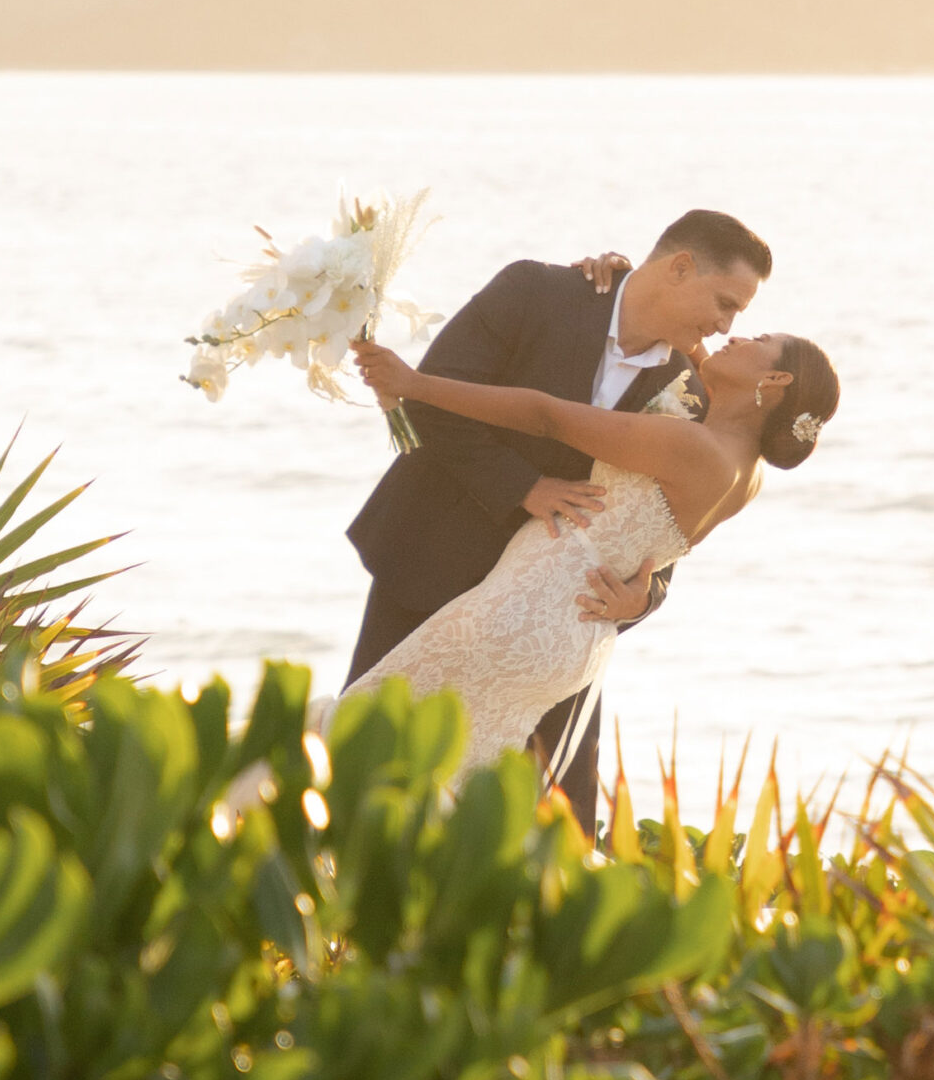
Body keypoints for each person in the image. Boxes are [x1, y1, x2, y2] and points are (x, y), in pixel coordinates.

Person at [340, 210, 774, 824]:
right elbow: (428, 398)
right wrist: (526, 487)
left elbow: (668, 521)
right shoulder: (535, 292)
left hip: (555, 619)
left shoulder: (696, 390)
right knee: (373, 761)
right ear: (680, 267)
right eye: (724, 302)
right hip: (435, 559)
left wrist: (642, 599)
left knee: (554, 815)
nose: (725, 324)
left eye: (739, 316)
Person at [342, 314, 840, 792]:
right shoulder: (743, 473)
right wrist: (633, 284)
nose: (734, 337)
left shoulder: (692, 448)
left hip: (521, 613)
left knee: (361, 737)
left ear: (775, 378)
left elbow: (547, 418)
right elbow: (710, 367)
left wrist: (415, 384)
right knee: (448, 780)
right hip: (571, 640)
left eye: (757, 338)